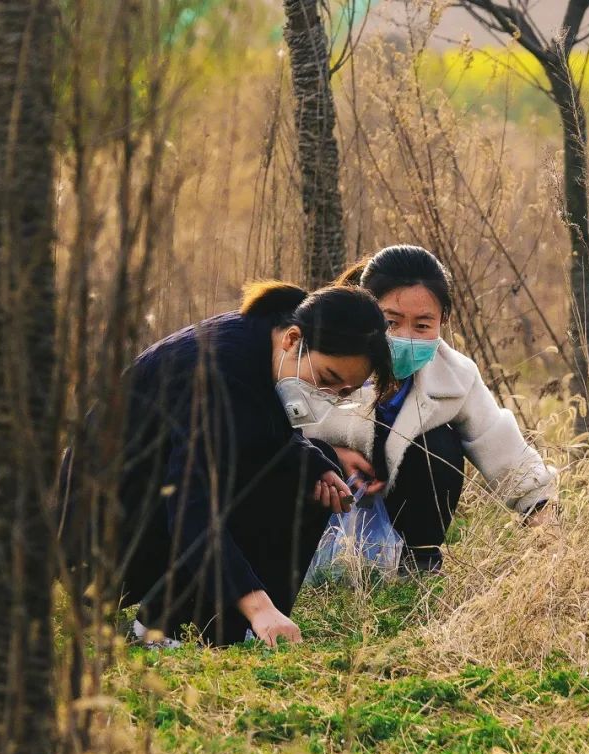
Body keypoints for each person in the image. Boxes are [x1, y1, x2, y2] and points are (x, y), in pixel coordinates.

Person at [60, 283, 393, 646]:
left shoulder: (267, 340)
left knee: (314, 466)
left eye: (344, 392)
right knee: (279, 473)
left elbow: (257, 434)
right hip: (103, 544)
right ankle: (168, 626)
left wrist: (315, 464)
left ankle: (235, 628)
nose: (329, 396)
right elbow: (191, 506)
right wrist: (257, 605)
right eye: (328, 379)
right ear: (293, 340)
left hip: (152, 511)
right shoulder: (217, 374)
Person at [303, 245, 557, 573]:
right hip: (316, 495)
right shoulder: (324, 357)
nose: (405, 337)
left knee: (439, 444)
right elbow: (269, 426)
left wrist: (549, 531)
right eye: (390, 322)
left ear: (443, 322)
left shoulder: (453, 377)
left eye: (423, 326)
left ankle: (418, 560)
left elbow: (503, 449)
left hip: (392, 503)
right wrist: (330, 454)